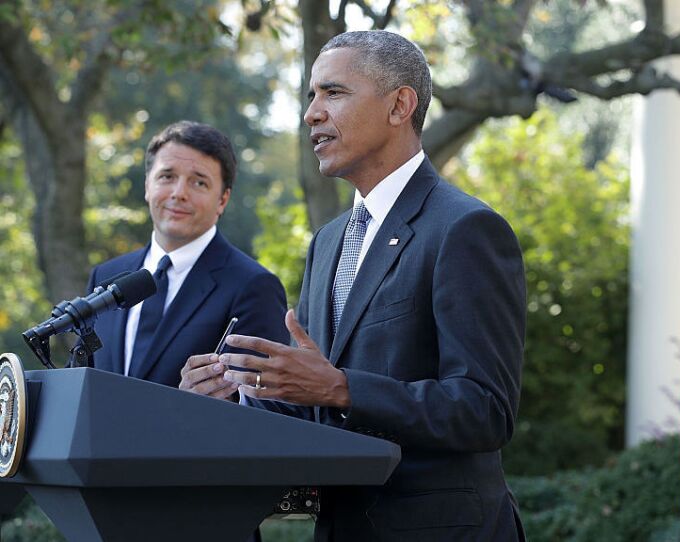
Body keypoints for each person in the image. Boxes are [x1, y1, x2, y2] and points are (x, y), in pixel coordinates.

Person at [180, 31, 527, 541]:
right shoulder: (328, 242)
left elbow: (485, 411)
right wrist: (241, 395)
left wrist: (340, 386)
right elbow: (321, 401)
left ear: (400, 105)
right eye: (311, 97)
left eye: (333, 93)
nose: (311, 114)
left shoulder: (464, 228)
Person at [82, 120, 289, 389]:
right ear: (148, 185)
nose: (179, 193)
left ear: (222, 200)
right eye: (167, 176)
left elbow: (266, 404)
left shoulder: (254, 287)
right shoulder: (105, 276)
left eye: (199, 183)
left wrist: (196, 406)